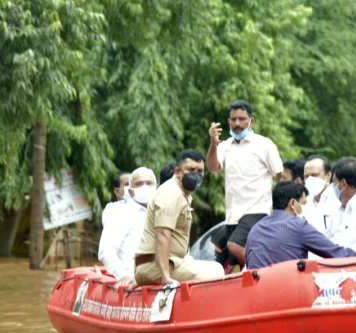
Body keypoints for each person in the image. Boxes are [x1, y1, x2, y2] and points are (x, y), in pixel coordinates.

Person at [206, 100, 283, 268]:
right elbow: (212, 167)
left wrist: (282, 209)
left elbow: (280, 175)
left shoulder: (264, 144)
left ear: (251, 121)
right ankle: (256, 282)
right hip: (233, 214)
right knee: (238, 261)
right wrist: (213, 143)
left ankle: (262, 274)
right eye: (233, 119)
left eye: (242, 119)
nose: (237, 123)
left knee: (234, 245)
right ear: (228, 122)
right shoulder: (225, 146)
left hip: (258, 210)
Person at [135, 150, 224, 285]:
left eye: (200, 171)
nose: (196, 174)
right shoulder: (171, 193)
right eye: (191, 169)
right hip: (156, 267)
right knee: (216, 272)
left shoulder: (183, 194)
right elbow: (162, 234)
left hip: (170, 263)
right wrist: (165, 277)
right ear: (177, 171)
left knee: (216, 267)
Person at [245, 182, 356, 269]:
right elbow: (335, 253)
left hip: (256, 294)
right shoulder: (297, 226)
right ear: (293, 203)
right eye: (304, 203)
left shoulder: (255, 228)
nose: (305, 208)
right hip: (288, 294)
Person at [98, 167, 156, 286]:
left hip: (158, 281)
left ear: (157, 187)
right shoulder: (120, 212)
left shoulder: (162, 212)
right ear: (130, 191)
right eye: (139, 184)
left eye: (149, 183)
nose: (144, 187)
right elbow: (106, 250)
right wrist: (123, 275)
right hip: (132, 284)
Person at [302, 155, 340, 235]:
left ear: (328, 175)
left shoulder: (338, 200)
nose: (309, 179)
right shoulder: (304, 202)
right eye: (306, 176)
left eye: (314, 175)